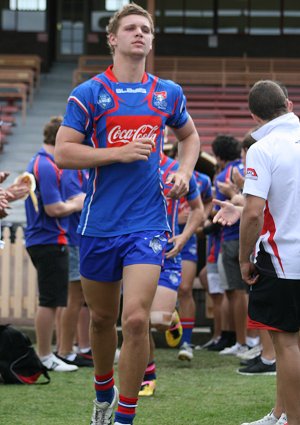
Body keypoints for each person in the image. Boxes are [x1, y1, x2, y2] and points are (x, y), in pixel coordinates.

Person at [54, 3, 200, 425]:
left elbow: (189, 138)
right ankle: (103, 393)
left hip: (149, 223)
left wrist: (186, 173)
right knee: (101, 319)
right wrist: (117, 152)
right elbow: (64, 151)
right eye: (131, 28)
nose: (140, 34)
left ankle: (125, 417)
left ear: (152, 41)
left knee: (136, 319)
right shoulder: (89, 93)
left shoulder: (167, 93)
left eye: (147, 29)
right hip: (99, 224)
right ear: (113, 39)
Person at [239, 80, 300, 425]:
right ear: (289, 105)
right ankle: (280, 413)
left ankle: (293, 419)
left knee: (286, 345)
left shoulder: (264, 147)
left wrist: (243, 258)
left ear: (255, 116)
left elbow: (253, 211)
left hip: (283, 258)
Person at [138, 151, 204, 396]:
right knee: (138, 318)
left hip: (168, 251)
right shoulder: (127, 163)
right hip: (136, 251)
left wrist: (184, 237)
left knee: (158, 321)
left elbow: (198, 210)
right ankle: (148, 376)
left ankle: (172, 318)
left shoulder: (178, 169)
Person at [24, 116, 85, 373]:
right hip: (49, 238)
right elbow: (53, 208)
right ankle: (46, 354)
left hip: (47, 239)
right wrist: (78, 202)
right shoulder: (46, 165)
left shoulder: (44, 162)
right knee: (49, 300)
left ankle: (50, 353)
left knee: (54, 298)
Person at [212, 135, 249, 356]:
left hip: (232, 236)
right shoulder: (246, 167)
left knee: (236, 292)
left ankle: (243, 341)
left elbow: (219, 210)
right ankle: (250, 341)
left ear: (218, 155)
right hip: (250, 234)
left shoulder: (226, 174)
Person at [176, 168, 212, 361]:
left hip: (188, 239)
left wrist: (200, 217)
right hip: (160, 235)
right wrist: (174, 217)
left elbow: (207, 202)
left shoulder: (202, 180)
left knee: (185, 288)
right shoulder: (160, 171)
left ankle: (186, 342)